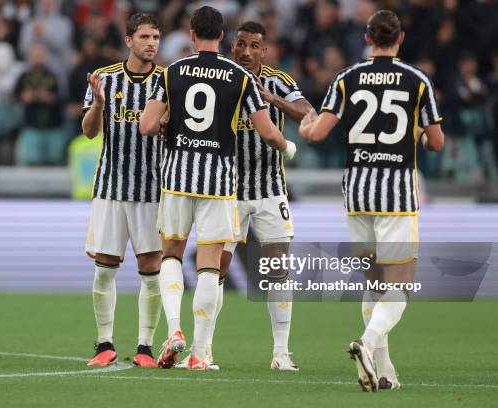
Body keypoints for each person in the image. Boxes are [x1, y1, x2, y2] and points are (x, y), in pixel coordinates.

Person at [139, 6, 296, 370]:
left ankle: (174, 330)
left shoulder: (172, 72)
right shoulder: (238, 76)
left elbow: (147, 126)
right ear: (222, 37)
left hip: (177, 175)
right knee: (211, 266)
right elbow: (268, 131)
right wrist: (288, 147)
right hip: (219, 181)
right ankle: (198, 353)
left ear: (192, 35)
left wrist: (167, 120)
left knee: (173, 255)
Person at [298, 10, 444, 391]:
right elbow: (438, 141)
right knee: (399, 286)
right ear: (401, 38)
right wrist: (422, 136)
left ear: (367, 38)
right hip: (396, 195)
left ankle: (384, 372)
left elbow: (317, 134)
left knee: (373, 281)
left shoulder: (347, 78)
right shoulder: (417, 80)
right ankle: (367, 342)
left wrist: (305, 126)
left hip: (357, 194)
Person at [174, 21, 316, 371]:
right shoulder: (223, 78)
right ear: (232, 46)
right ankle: (202, 349)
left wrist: (273, 101)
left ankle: (281, 352)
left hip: (269, 190)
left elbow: (308, 113)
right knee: (216, 267)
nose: (247, 51)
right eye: (241, 44)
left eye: (254, 45)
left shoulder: (279, 81)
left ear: (264, 50)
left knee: (278, 267)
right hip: (227, 190)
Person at [82, 13, 164, 368]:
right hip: (111, 189)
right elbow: (88, 132)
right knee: (105, 267)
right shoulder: (105, 78)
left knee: (151, 267)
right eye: (145, 36)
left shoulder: (168, 82)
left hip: (152, 191)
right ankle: (104, 343)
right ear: (128, 40)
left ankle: (145, 347)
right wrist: (99, 104)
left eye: (156, 37)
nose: (152, 43)